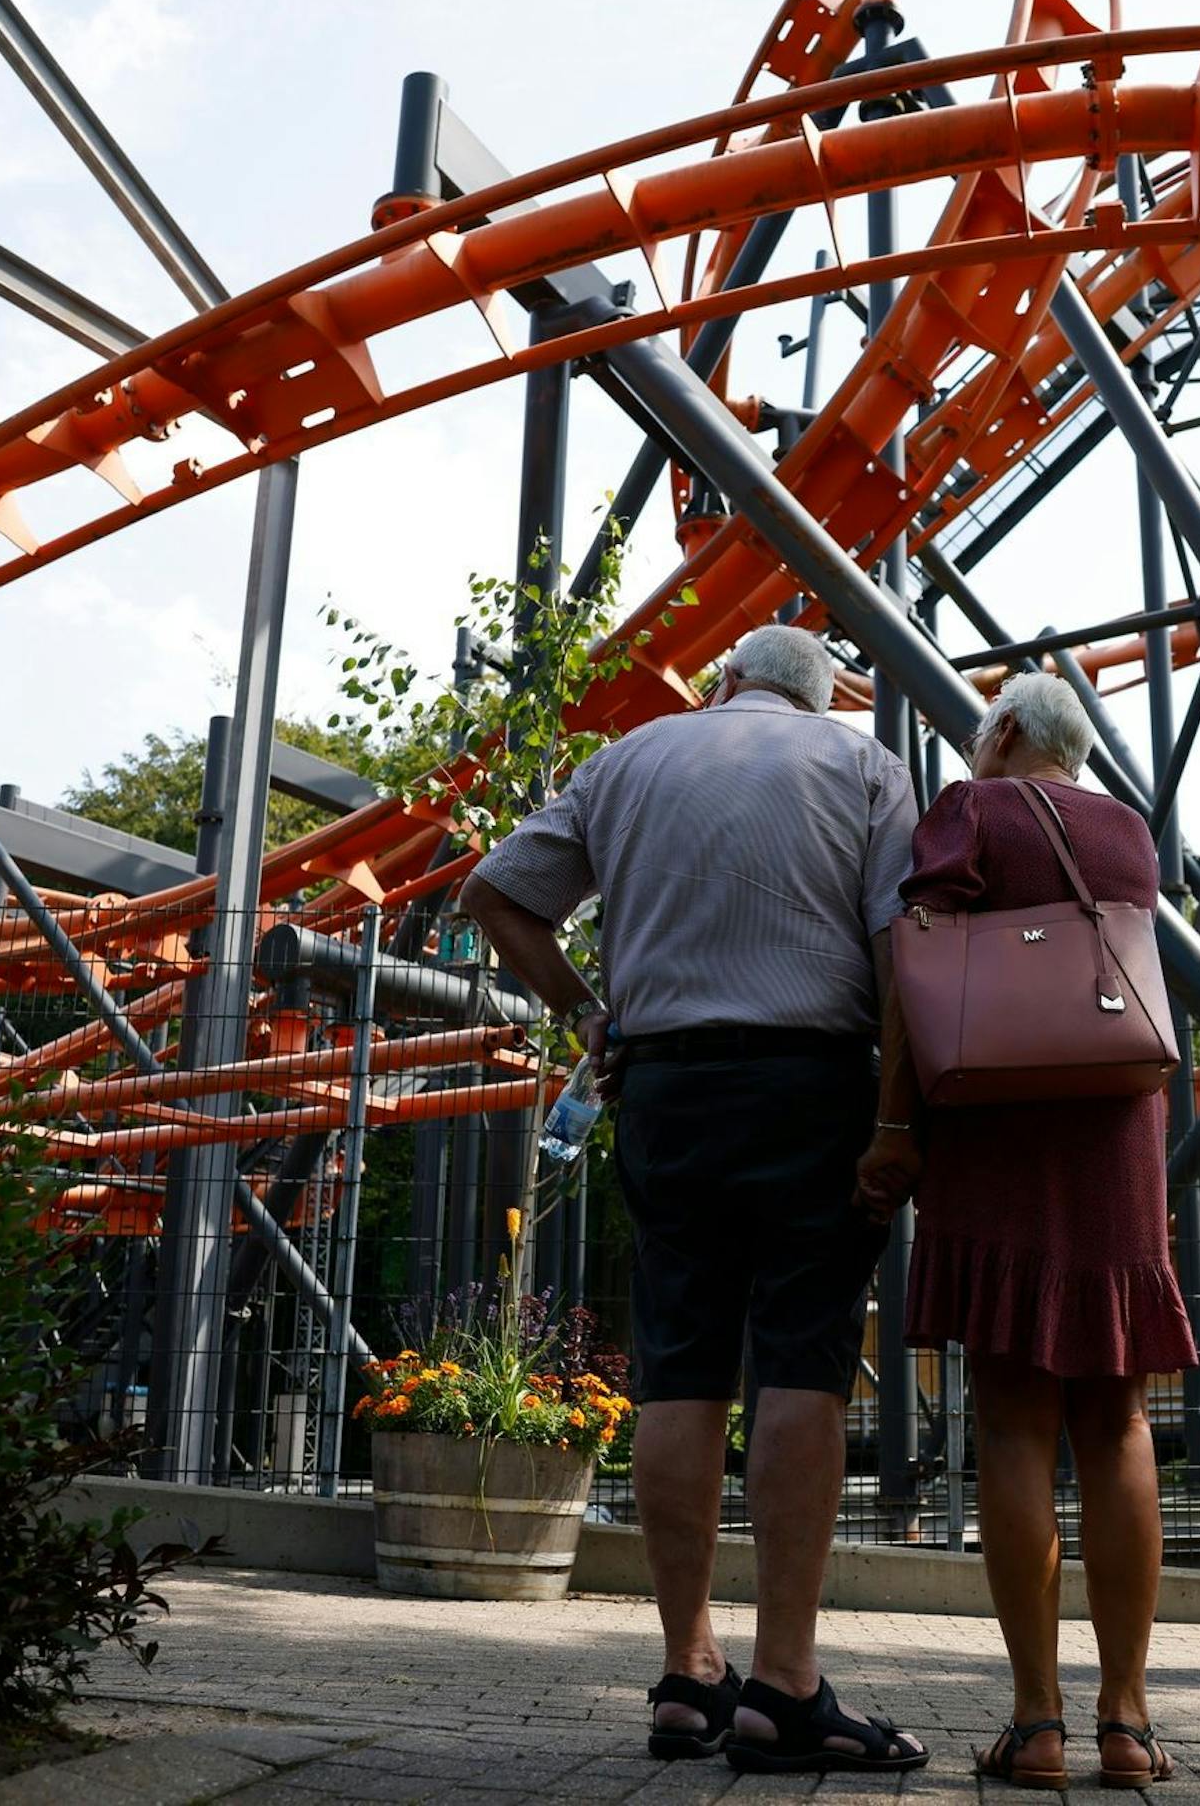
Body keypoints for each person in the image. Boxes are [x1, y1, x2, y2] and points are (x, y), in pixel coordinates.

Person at [460, 623, 930, 1777]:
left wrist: (587, 1011)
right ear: (820, 699)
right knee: (802, 1360)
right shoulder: (862, 765)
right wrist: (894, 1117)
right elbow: (901, 953)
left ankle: (686, 1670)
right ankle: (786, 1683)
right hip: (813, 1082)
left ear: (724, 682)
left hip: (664, 1083)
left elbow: (496, 894)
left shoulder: (627, 758)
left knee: (679, 1364)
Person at [856, 673, 1195, 1791]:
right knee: (1117, 1418)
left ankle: (1036, 1721)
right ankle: (1128, 1721)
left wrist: (894, 1124)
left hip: (1000, 1128)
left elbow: (914, 964)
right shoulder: (1128, 829)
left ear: (1003, 731)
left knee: (1012, 1420)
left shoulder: (971, 807)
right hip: (1115, 1136)